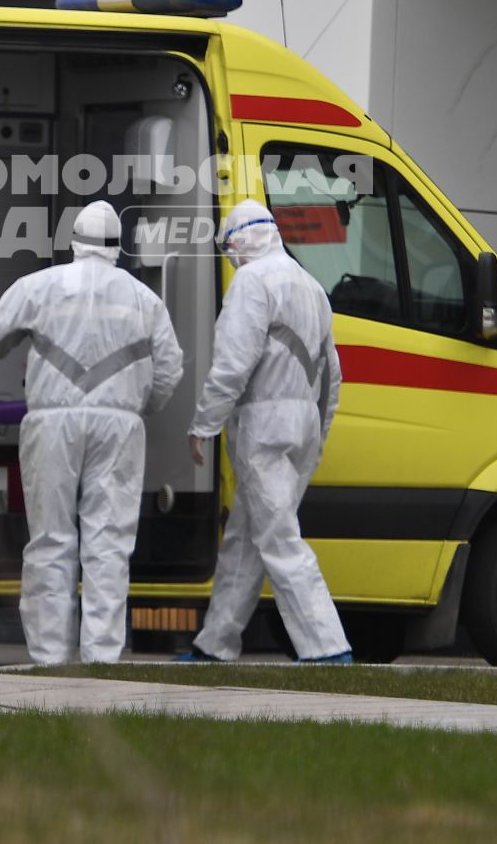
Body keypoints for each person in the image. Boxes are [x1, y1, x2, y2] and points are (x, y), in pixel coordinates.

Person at [0, 200, 184, 665]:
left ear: (73, 240)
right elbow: (170, 370)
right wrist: (137, 408)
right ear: (119, 247)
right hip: (119, 429)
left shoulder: (39, 286)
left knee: (51, 541)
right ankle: (101, 662)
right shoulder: (145, 299)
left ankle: (50, 659)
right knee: (109, 544)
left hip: (52, 423)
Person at [180, 197, 351, 664]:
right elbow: (331, 374)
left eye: (229, 248)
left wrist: (203, 425)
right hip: (304, 429)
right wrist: (321, 430)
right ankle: (215, 645)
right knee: (245, 540)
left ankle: (328, 649)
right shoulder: (311, 285)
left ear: (238, 242)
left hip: (264, 428)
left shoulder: (251, 283)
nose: (229, 258)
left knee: (278, 540)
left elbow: (232, 366)